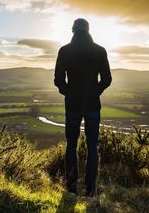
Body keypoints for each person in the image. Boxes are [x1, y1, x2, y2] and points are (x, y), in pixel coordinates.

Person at [54, 18, 112, 197]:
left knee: (71, 145)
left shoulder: (65, 51)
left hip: (72, 105)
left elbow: (58, 79)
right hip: (93, 105)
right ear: (88, 30)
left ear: (73, 30)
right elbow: (107, 79)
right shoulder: (99, 51)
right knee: (93, 146)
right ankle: (91, 189)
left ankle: (71, 187)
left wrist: (68, 93)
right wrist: (96, 91)